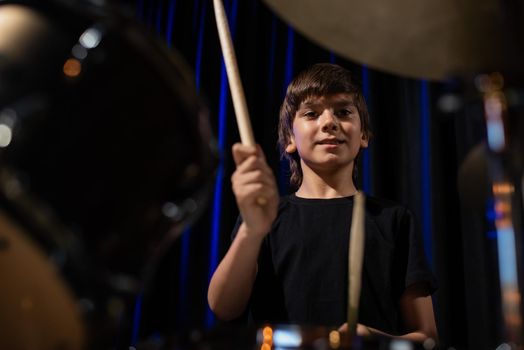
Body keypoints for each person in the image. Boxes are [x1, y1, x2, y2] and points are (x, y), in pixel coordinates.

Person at [207, 63, 438, 342]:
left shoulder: (393, 219)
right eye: (311, 114)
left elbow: (427, 337)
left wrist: (372, 339)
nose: (329, 122)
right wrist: (251, 231)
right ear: (290, 138)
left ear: (363, 135)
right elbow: (223, 308)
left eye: (343, 112)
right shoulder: (264, 217)